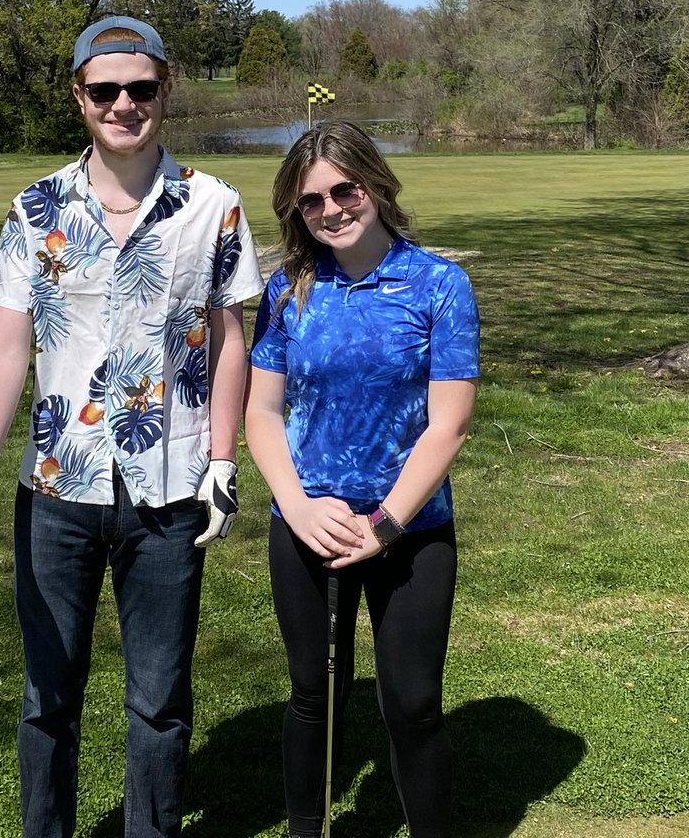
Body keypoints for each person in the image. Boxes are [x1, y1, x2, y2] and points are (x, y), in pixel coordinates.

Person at [0, 15, 264, 838]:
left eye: (142, 88)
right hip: (55, 490)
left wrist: (225, 460)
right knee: (47, 697)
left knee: (159, 702)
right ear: (79, 96)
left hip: (170, 491)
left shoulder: (213, 206)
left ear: (165, 92)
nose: (125, 105)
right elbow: (6, 350)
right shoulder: (36, 207)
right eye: (105, 90)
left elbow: (231, 341)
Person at [245, 119, 479, 838]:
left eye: (343, 190)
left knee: (412, 703)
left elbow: (449, 425)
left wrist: (384, 527)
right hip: (307, 524)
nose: (331, 210)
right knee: (315, 694)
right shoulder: (288, 290)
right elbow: (260, 409)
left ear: (375, 184)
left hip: (409, 530)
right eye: (310, 202)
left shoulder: (439, 285)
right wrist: (298, 506)